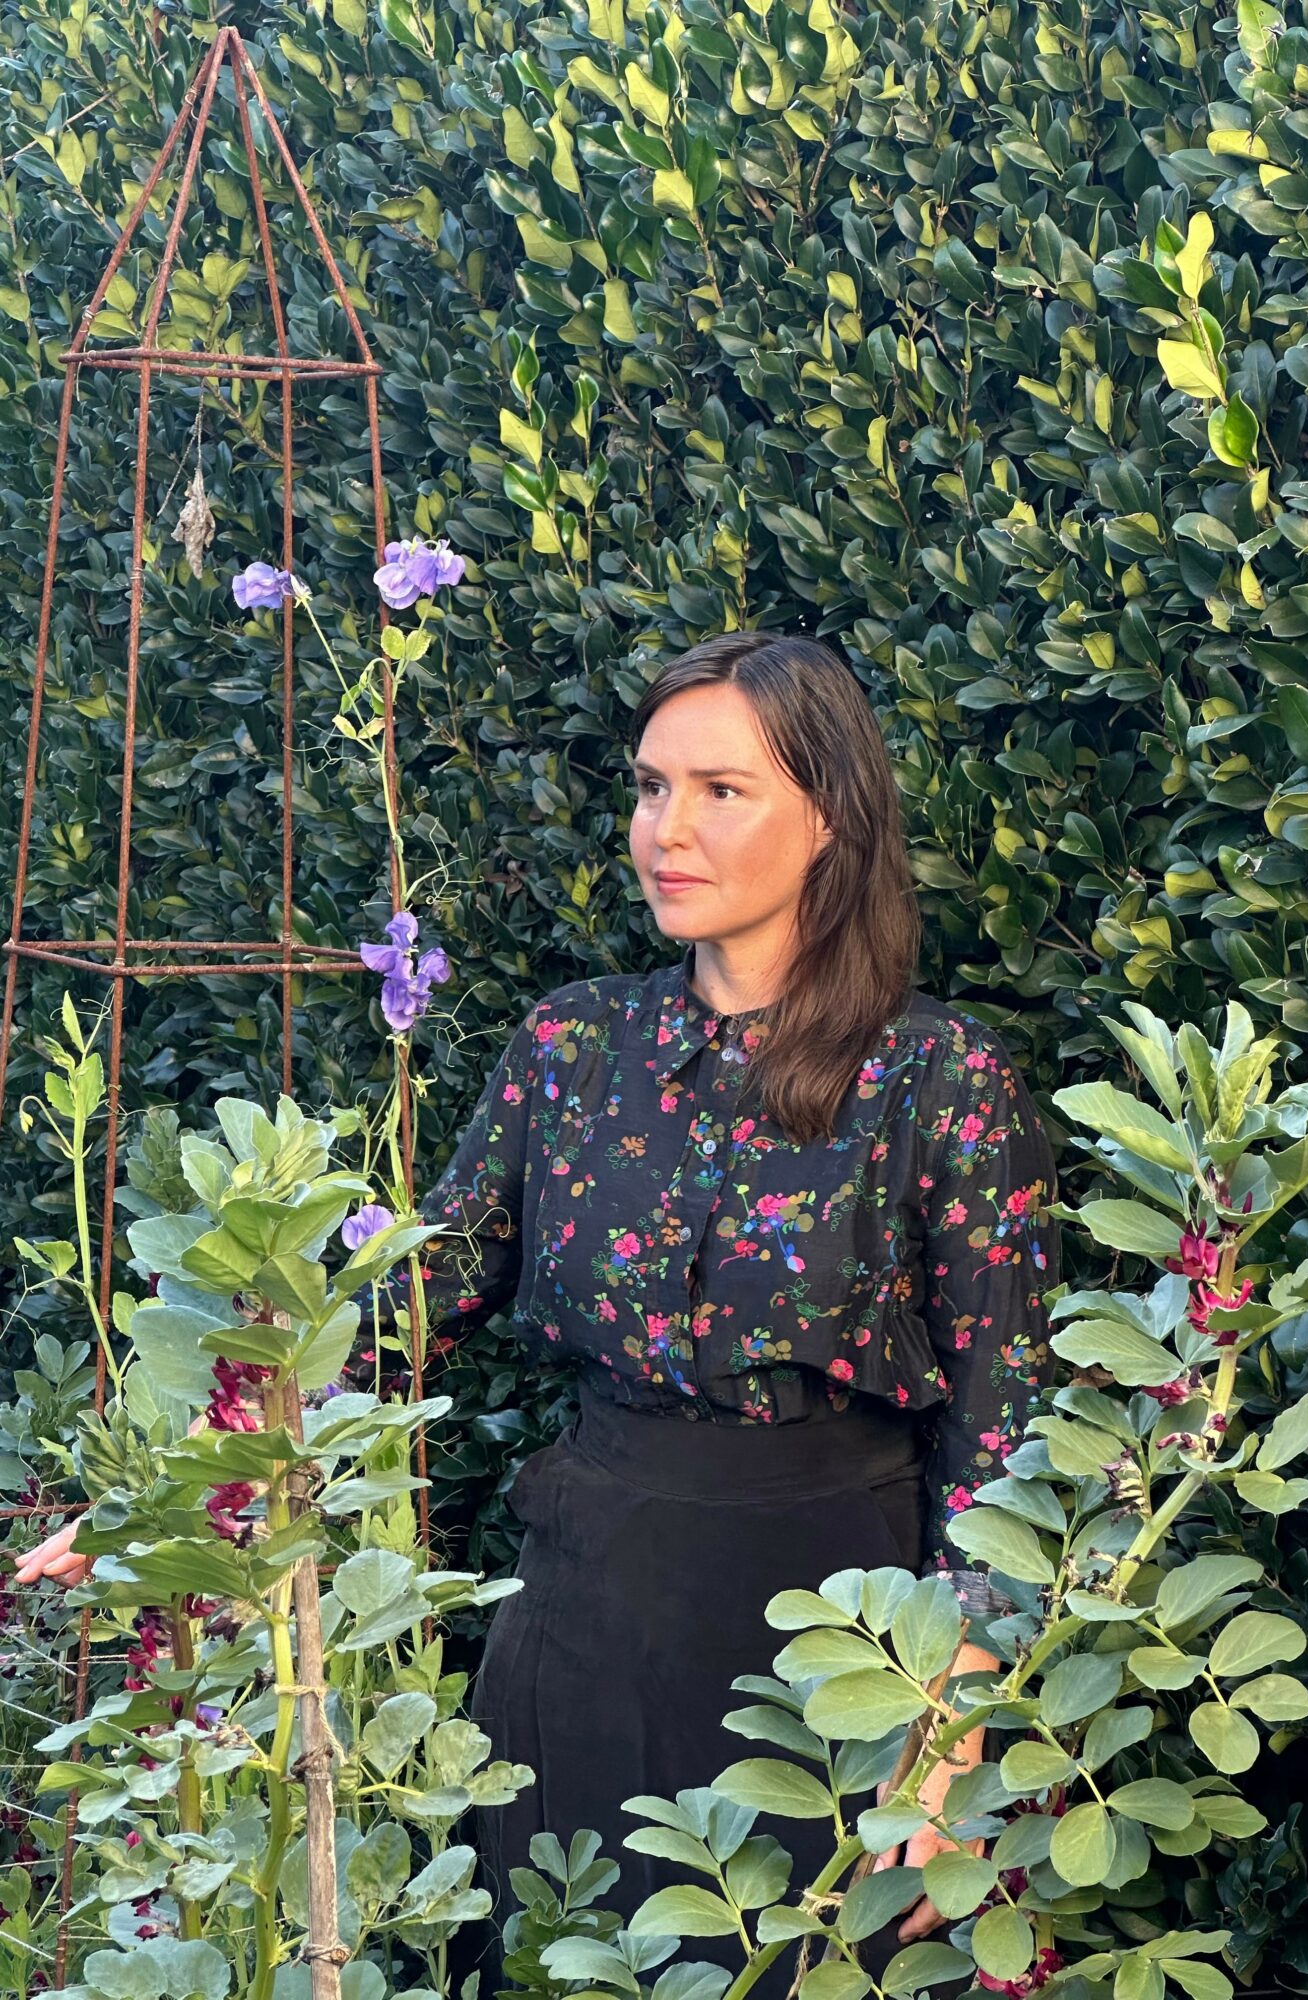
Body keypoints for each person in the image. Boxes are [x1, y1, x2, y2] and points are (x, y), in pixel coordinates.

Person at [15, 633, 1058, 1995]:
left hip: (845, 1650)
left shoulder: (940, 1077)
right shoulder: (572, 1048)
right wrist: (178, 1502)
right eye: (651, 787)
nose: (665, 830)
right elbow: (397, 1317)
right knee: (559, 1956)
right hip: (585, 1615)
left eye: (721, 791)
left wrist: (951, 1731)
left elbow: (1006, 1433)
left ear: (831, 818)